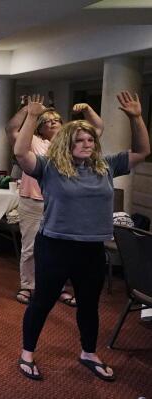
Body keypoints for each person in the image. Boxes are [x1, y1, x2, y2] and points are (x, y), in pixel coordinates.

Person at [15, 92, 150, 381]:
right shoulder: (50, 167)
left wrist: (136, 117)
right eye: (80, 140)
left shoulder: (106, 165)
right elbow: (20, 153)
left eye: (90, 140)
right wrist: (31, 117)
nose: (87, 144)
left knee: (89, 305)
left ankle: (88, 352)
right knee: (42, 301)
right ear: (67, 143)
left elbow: (141, 151)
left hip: (90, 249)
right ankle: (27, 353)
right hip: (54, 245)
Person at [6, 96, 104, 307]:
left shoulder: (71, 144)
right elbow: (11, 129)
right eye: (47, 121)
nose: (52, 123)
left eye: (56, 120)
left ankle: (56, 286)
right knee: (30, 246)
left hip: (61, 203)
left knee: (60, 248)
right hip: (33, 201)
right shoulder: (34, 141)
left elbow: (96, 128)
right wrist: (28, 111)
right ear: (40, 128)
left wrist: (87, 109)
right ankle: (28, 285)